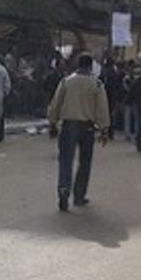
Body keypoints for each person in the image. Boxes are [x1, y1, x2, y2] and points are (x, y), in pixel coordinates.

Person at [47, 53, 110, 212]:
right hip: (87, 127)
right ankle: (79, 195)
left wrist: (52, 123)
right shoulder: (97, 84)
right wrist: (104, 129)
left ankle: (63, 190)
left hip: (68, 125)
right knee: (85, 162)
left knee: (65, 160)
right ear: (90, 66)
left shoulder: (66, 82)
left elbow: (56, 103)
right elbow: (102, 108)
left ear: (77, 64)